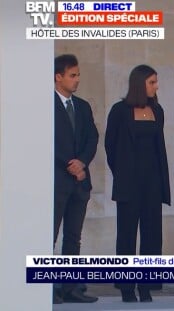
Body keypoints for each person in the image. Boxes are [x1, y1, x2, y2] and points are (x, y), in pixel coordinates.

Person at [105, 64, 171, 303]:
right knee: (126, 234)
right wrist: (121, 173)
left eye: (156, 82)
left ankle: (146, 284)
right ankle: (126, 287)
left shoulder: (157, 109)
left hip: (153, 181)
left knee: (152, 234)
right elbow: (110, 146)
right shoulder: (119, 110)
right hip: (129, 182)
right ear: (140, 83)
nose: (156, 86)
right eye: (152, 82)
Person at [53, 54, 99, 304]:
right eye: (72, 75)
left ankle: (71, 288)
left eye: (78, 74)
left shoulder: (82, 106)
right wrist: (69, 164)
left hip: (79, 182)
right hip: (56, 181)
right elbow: (46, 141)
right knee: (48, 235)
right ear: (58, 77)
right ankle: (48, 288)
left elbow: (92, 138)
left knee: (73, 237)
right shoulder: (44, 104)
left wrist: (81, 162)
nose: (77, 79)